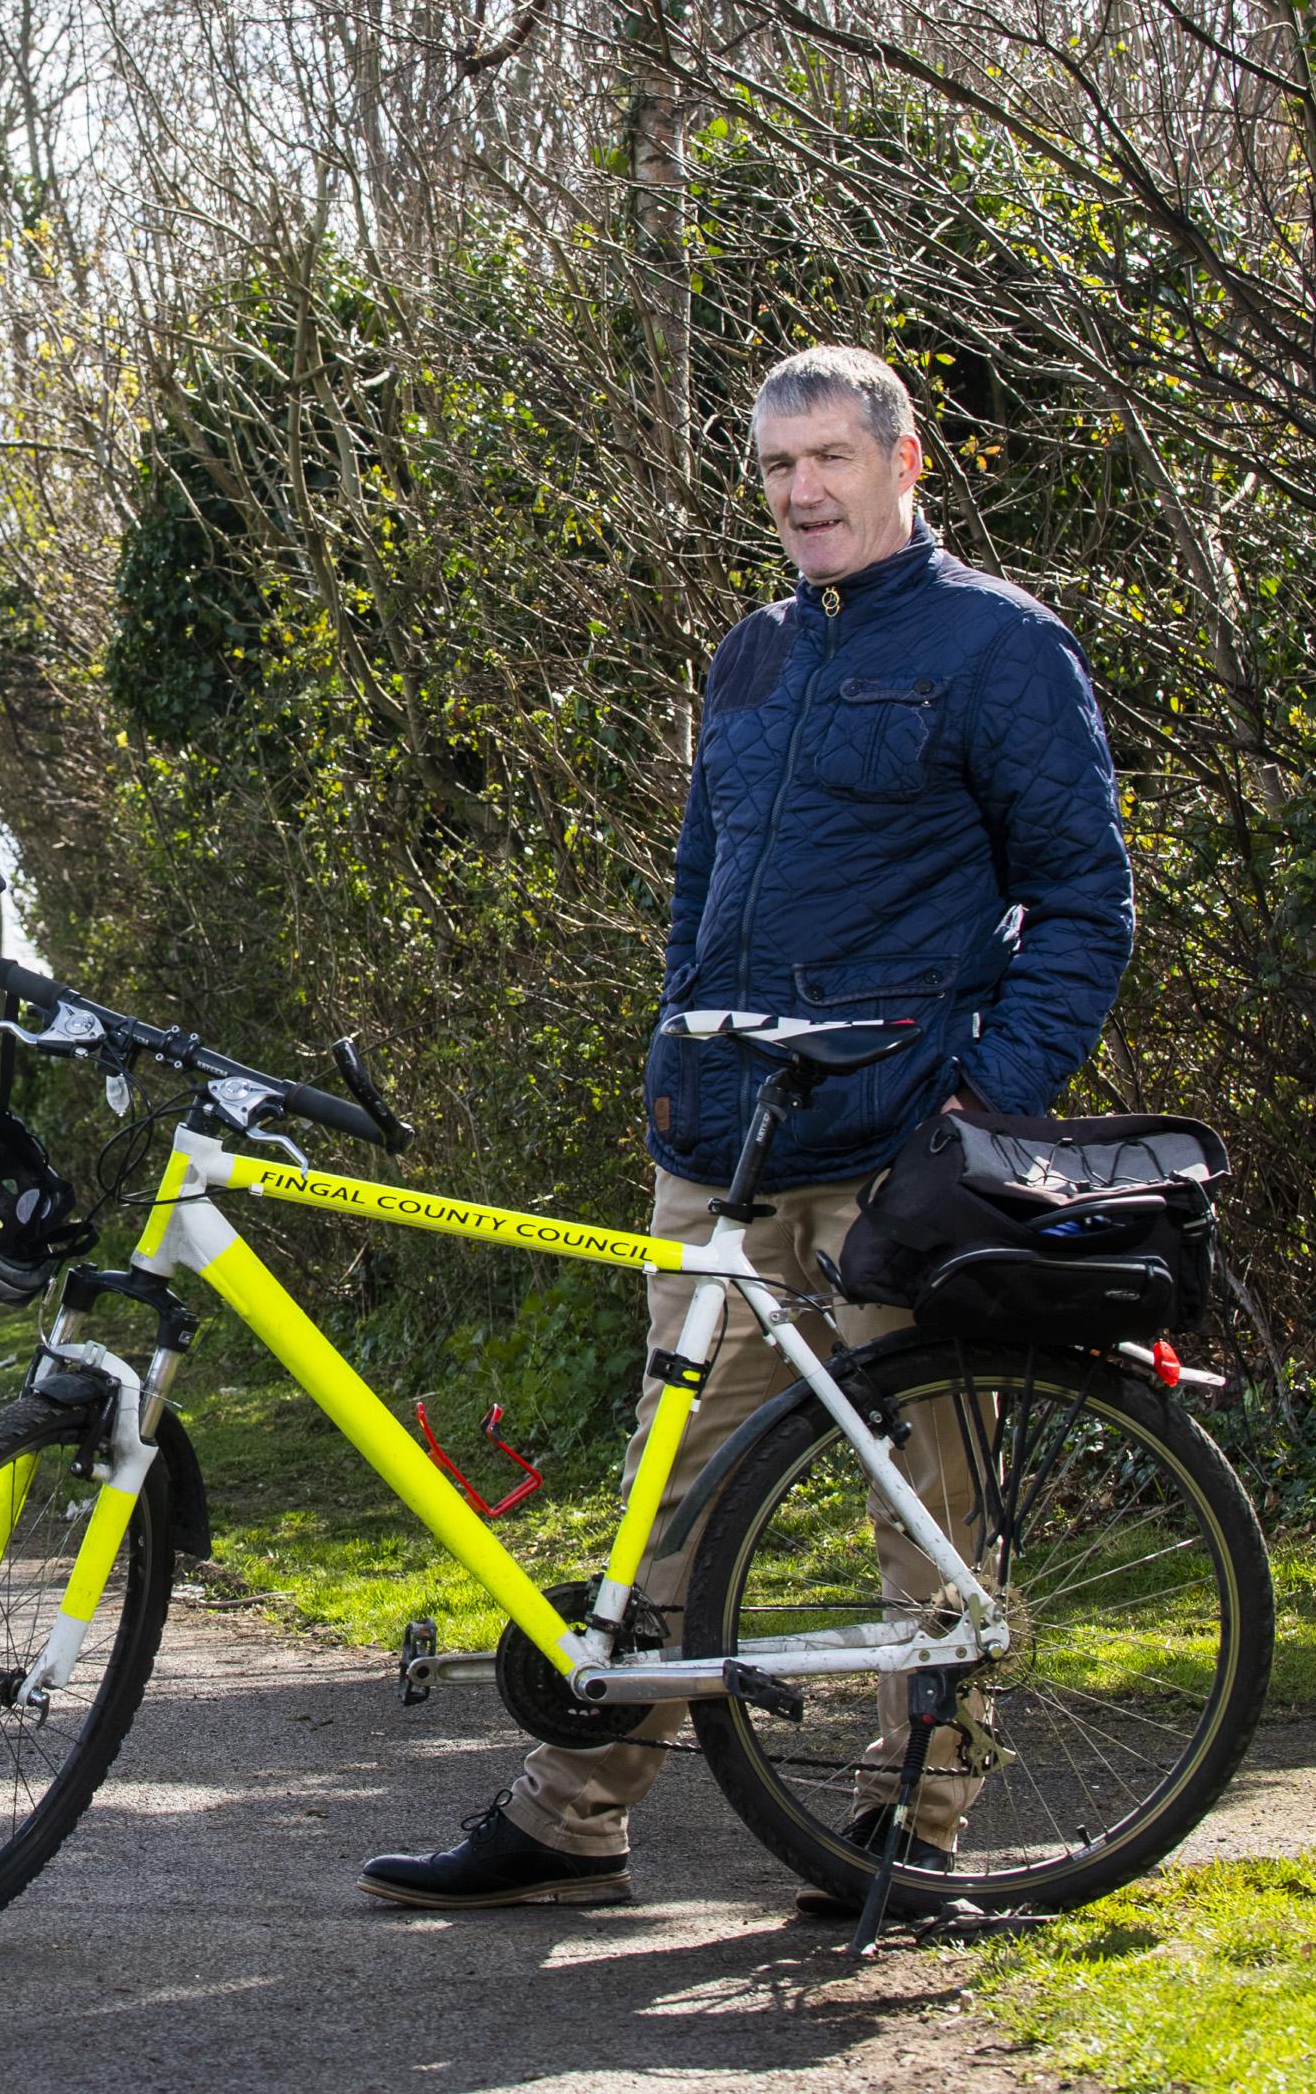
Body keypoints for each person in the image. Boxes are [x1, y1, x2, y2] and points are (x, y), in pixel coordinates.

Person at [360, 345, 1136, 1910]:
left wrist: (985, 1098)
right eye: (779, 467)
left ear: (906, 467)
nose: (801, 493)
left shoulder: (1001, 649)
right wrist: (673, 1049)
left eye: (832, 461)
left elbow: (1086, 902)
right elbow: (699, 886)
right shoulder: (751, 654)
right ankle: (576, 1810)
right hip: (721, 1151)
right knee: (669, 1488)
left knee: (925, 1501)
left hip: (895, 1152)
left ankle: (910, 1821)